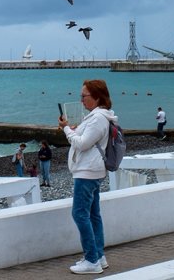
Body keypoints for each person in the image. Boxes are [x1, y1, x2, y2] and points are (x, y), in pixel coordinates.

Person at [59, 79, 116, 275]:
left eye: (84, 96)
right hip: (93, 170)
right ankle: (99, 256)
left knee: (80, 214)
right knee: (93, 214)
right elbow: (87, 138)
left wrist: (66, 129)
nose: (81, 99)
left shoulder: (98, 118)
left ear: (97, 97)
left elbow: (82, 144)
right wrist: (73, 129)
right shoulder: (97, 116)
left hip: (87, 172)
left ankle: (92, 260)